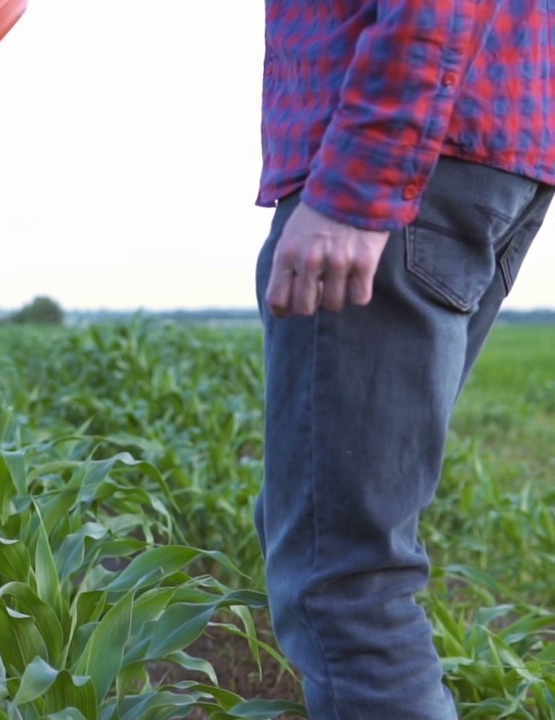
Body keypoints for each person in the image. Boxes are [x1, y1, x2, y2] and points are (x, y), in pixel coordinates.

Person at [254, 3, 555, 718]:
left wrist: (358, 185)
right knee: (327, 537)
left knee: (346, 585)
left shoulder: (376, 172)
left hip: (402, 153)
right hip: (481, 138)